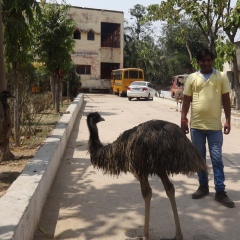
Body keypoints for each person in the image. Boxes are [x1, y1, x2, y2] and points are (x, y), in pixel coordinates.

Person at [181, 48, 235, 208]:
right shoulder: (192, 78)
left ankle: (220, 191)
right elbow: (186, 100)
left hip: (214, 127)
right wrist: (183, 119)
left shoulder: (221, 77)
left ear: (213, 61)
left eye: (208, 60)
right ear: (198, 62)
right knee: (199, 159)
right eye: (202, 60)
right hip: (196, 126)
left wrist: (228, 120)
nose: (206, 63)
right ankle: (203, 187)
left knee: (217, 159)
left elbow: (226, 100)